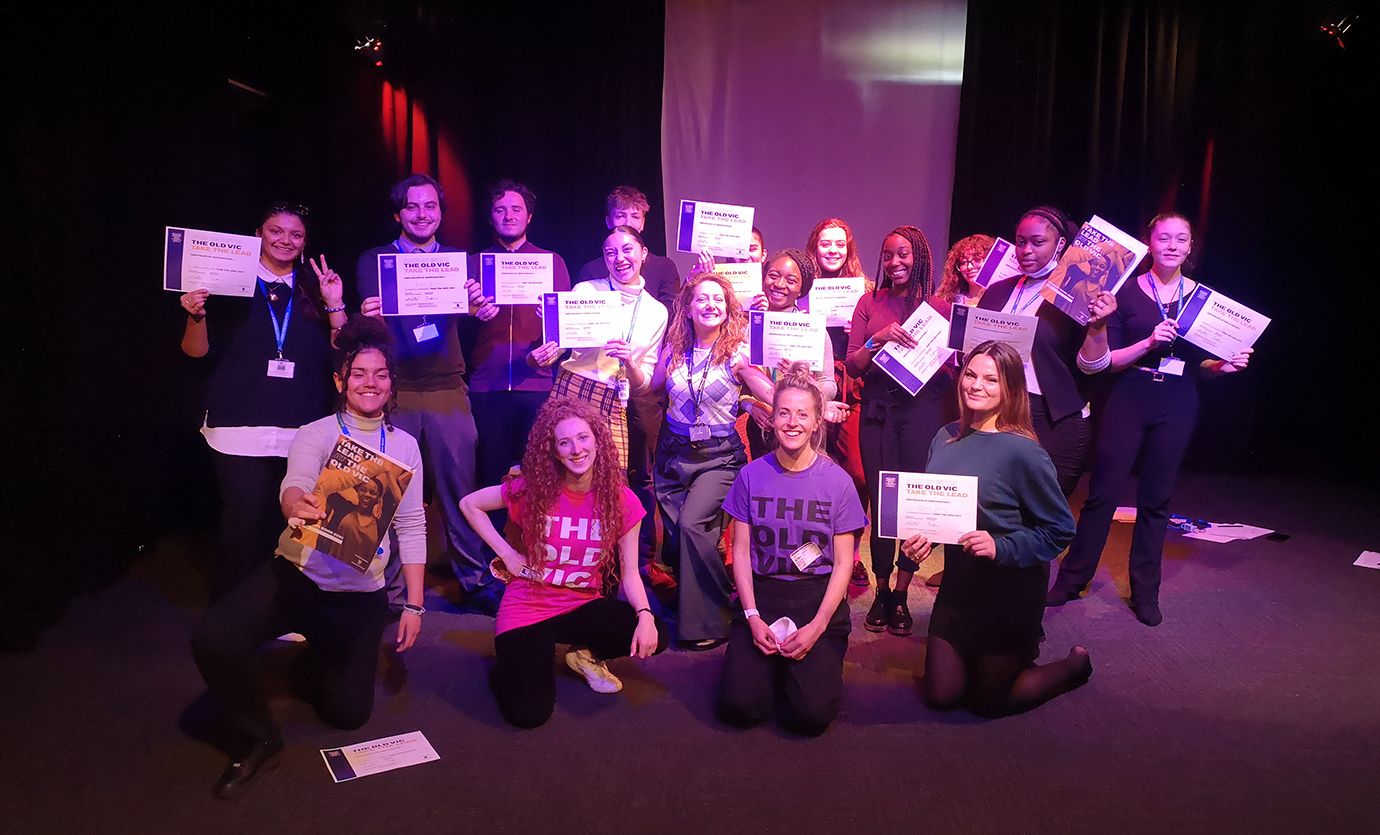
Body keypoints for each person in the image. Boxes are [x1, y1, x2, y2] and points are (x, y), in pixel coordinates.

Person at [191, 316, 426, 798]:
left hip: (358, 596)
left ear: (391, 384)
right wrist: (294, 502)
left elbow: (412, 525)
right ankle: (259, 736)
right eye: (358, 373)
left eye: (380, 374)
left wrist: (416, 605)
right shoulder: (317, 433)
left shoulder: (405, 447)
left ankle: (316, 657)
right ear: (340, 381)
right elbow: (293, 481)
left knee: (348, 715)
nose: (369, 382)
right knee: (213, 639)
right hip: (296, 575)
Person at [1047, 213, 1253, 625]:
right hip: (1130, 395)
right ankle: (1071, 581)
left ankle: (1145, 592)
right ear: (1150, 243)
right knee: (1103, 493)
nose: (1173, 245)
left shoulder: (1201, 299)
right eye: (1164, 238)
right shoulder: (1124, 293)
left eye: (1181, 239)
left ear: (1190, 246)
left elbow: (1202, 361)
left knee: (1156, 500)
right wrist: (1148, 341)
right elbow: (1107, 362)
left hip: (1177, 400)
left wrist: (1223, 367)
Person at [903, 341, 1091, 718]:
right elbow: (937, 510)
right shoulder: (945, 437)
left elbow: (1058, 530)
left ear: (1011, 388)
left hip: (1009, 589)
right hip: (961, 586)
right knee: (941, 695)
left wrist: (1001, 546)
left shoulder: (1024, 452)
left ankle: (1074, 667)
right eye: (971, 374)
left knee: (988, 703)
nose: (977, 385)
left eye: (991, 379)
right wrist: (920, 540)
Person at [459, 397, 668, 728]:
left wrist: (645, 616)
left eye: (583, 438)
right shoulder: (534, 489)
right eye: (564, 442)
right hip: (528, 607)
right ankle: (512, 664)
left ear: (598, 441)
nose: (576, 450)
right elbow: (470, 504)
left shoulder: (621, 498)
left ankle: (581, 653)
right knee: (529, 714)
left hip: (580, 604)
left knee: (653, 632)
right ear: (554, 451)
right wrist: (510, 555)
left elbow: (630, 574)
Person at [179, 202, 347, 596]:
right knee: (243, 524)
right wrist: (196, 315)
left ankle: (280, 610)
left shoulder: (314, 287)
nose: (285, 240)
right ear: (258, 234)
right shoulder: (224, 284)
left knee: (292, 525)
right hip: (239, 428)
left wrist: (335, 304)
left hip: (301, 428)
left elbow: (342, 354)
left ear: (305, 243)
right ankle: (231, 615)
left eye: (296, 234)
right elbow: (195, 353)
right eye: (276, 230)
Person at [358, 173, 499, 611]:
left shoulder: (461, 260)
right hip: (392, 391)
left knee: (460, 491)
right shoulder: (374, 260)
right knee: (388, 493)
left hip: (446, 388)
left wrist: (482, 307)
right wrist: (369, 317)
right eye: (413, 207)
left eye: (431, 207)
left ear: (440, 212)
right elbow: (367, 331)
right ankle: (389, 592)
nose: (423, 215)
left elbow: (479, 316)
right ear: (398, 214)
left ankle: (474, 582)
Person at [718, 364, 867, 735]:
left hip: (815, 596)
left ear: (818, 422)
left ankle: (812, 665)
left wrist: (817, 628)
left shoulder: (838, 483)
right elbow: (740, 552)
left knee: (809, 717)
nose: (792, 422)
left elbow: (844, 564)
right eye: (784, 412)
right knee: (739, 707)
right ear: (772, 418)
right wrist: (752, 616)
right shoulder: (750, 476)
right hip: (763, 591)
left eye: (803, 414)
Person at [650, 272, 774, 648]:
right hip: (672, 455)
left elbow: (765, 389)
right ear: (688, 308)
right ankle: (709, 601)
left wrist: (761, 398)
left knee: (691, 526)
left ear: (727, 307)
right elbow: (649, 385)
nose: (710, 305)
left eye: (718, 299)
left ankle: (710, 623)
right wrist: (623, 366)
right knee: (679, 541)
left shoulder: (738, 352)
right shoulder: (673, 349)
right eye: (702, 299)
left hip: (719, 459)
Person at [845, 226, 956, 637]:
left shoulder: (940, 308)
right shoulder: (868, 302)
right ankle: (881, 590)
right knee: (883, 505)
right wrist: (877, 340)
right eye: (888, 255)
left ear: (920, 257)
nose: (895, 262)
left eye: (904, 254)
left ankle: (904, 594)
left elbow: (952, 369)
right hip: (878, 413)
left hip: (921, 413)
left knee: (913, 506)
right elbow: (853, 363)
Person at [976, 206, 1117, 496]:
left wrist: (1098, 326)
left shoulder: (1078, 293)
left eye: (1037, 242)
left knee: (1041, 519)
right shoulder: (997, 291)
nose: (1026, 250)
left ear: (1060, 245)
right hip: (997, 411)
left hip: (1053, 420)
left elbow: (1093, 367)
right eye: (1020, 241)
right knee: (995, 513)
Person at [466, 179, 574, 551]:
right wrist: (470, 312)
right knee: (490, 476)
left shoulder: (551, 262)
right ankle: (495, 562)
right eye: (500, 209)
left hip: (537, 385)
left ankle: (541, 556)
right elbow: (454, 327)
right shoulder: (473, 264)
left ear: (529, 216)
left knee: (541, 475)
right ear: (490, 217)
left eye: (516, 209)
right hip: (487, 386)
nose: (508, 215)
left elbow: (563, 328)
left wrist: (555, 344)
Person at [538, 225, 668, 470]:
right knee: (558, 472)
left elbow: (644, 384)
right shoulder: (585, 290)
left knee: (611, 478)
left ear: (644, 253)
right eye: (610, 252)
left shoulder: (657, 312)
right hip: (572, 389)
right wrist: (551, 336)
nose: (619, 258)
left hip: (615, 397)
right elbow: (561, 347)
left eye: (627, 249)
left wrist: (629, 362)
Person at [805, 217, 871, 587]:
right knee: (811, 471)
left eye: (840, 244)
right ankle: (812, 546)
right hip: (808, 388)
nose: (832, 250)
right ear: (814, 246)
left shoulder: (865, 291)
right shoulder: (800, 291)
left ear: (849, 249)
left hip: (851, 388)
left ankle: (853, 549)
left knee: (855, 473)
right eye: (825, 243)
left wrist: (857, 330)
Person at [743, 248, 841, 459]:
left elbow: (829, 383)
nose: (779, 285)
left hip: (803, 429)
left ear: (801, 289)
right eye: (773, 276)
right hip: (764, 427)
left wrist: (805, 383)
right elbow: (737, 383)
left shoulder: (813, 330)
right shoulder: (750, 328)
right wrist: (751, 407)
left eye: (790, 280)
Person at [575, 185, 682, 309]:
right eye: (620, 216)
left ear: (643, 223)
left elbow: (673, 314)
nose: (628, 223)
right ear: (608, 221)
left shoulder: (664, 267)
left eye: (635, 217)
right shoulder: (591, 271)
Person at [939, 234, 997, 306]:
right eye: (963, 262)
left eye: (977, 259)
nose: (969, 267)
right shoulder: (951, 301)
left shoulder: (1002, 300)